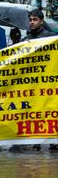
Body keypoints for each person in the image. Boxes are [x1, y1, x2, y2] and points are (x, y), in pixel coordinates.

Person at [21, 9, 57, 151]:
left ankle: (54, 141)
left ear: (41, 21)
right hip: (32, 84)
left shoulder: (51, 37)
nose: (32, 22)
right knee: (34, 110)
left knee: (50, 110)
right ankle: (35, 140)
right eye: (30, 20)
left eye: (35, 20)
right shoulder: (26, 40)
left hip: (48, 82)